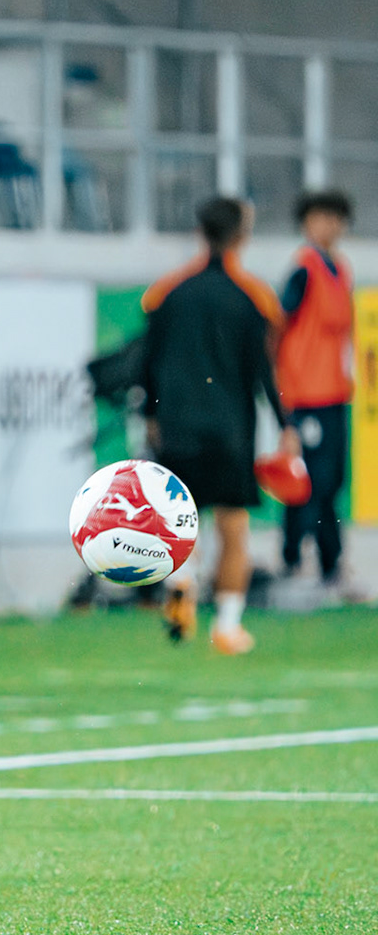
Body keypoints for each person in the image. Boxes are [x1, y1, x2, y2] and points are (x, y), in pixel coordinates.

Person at [143, 198, 301, 656]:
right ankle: (228, 628)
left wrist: (151, 416)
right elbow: (263, 370)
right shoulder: (252, 297)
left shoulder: (168, 293)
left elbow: (148, 363)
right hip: (231, 428)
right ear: (242, 235)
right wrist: (284, 423)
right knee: (232, 528)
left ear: (200, 230)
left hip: (177, 427)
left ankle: (182, 584)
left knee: (178, 522)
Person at [276, 190, 359, 600]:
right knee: (307, 483)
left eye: (336, 217)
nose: (330, 225)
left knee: (331, 484)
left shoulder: (340, 269)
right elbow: (277, 324)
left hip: (334, 396)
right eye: (321, 217)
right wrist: (282, 395)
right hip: (305, 395)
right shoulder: (303, 270)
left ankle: (330, 565)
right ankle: (293, 561)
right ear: (307, 223)